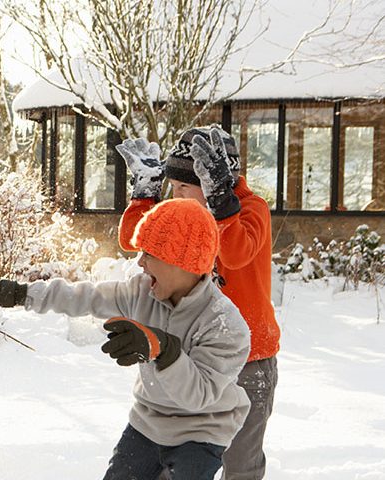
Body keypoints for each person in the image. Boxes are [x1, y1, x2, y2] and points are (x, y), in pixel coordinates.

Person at [0, 199, 251, 480]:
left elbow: (199, 395)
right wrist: (8, 292)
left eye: (149, 254)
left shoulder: (225, 324)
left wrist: (161, 347)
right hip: (147, 423)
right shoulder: (140, 291)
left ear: (181, 262)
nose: (140, 263)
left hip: (201, 432)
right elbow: (82, 296)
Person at [117, 126, 279, 479]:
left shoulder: (253, 210)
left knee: (241, 465)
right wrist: (145, 193)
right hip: (191, 361)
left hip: (249, 363)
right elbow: (134, 239)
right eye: (170, 188)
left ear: (214, 183)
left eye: (182, 188)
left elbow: (235, 252)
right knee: (173, 459)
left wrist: (222, 202)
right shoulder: (186, 219)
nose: (173, 197)